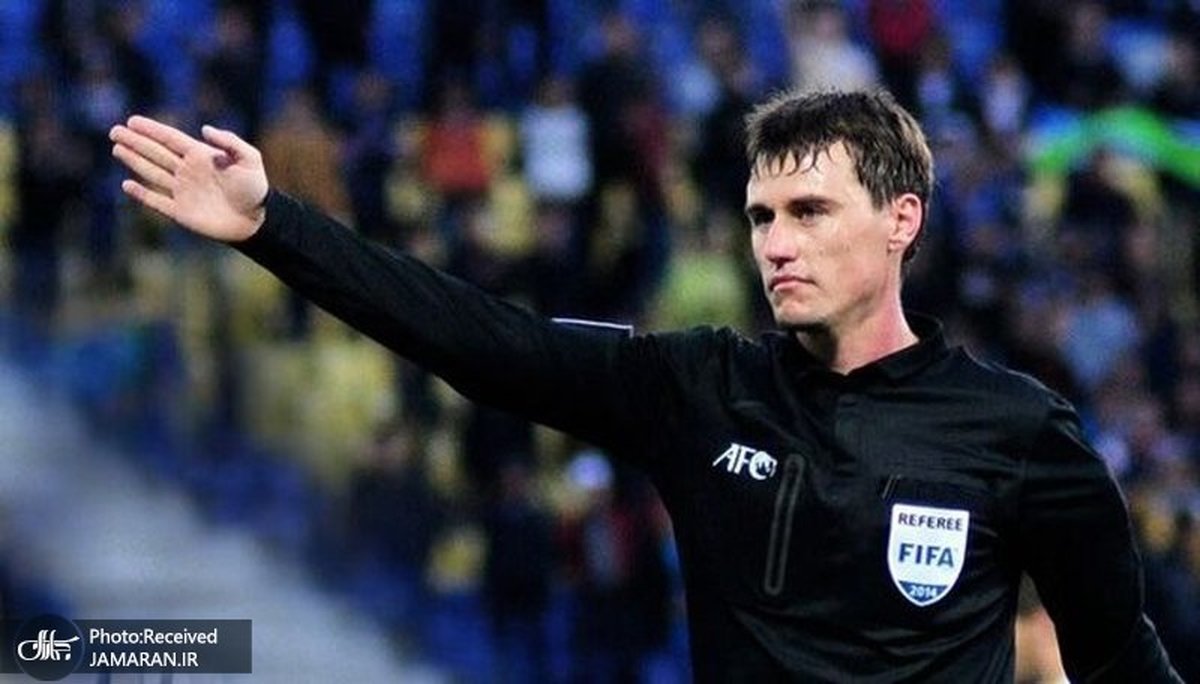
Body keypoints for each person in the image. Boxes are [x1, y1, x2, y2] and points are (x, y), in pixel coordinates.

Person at [108, 89, 1182, 681]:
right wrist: (272, 225)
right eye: (761, 217)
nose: (776, 245)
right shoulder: (699, 384)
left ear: (902, 221)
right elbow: (483, 342)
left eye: (809, 213)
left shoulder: (1018, 432)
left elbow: (1121, 662)